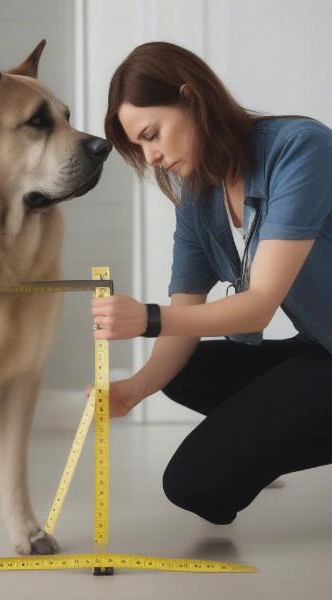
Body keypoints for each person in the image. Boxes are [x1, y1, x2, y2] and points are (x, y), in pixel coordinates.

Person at [86, 41, 332, 525]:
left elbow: (258, 306)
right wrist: (136, 388)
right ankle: (280, 437)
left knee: (195, 485)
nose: (151, 157)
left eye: (152, 134)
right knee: (184, 369)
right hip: (322, 347)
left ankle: (280, 440)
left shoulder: (300, 149)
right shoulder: (199, 198)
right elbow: (187, 316)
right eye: (139, 147)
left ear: (192, 97)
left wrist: (148, 319)